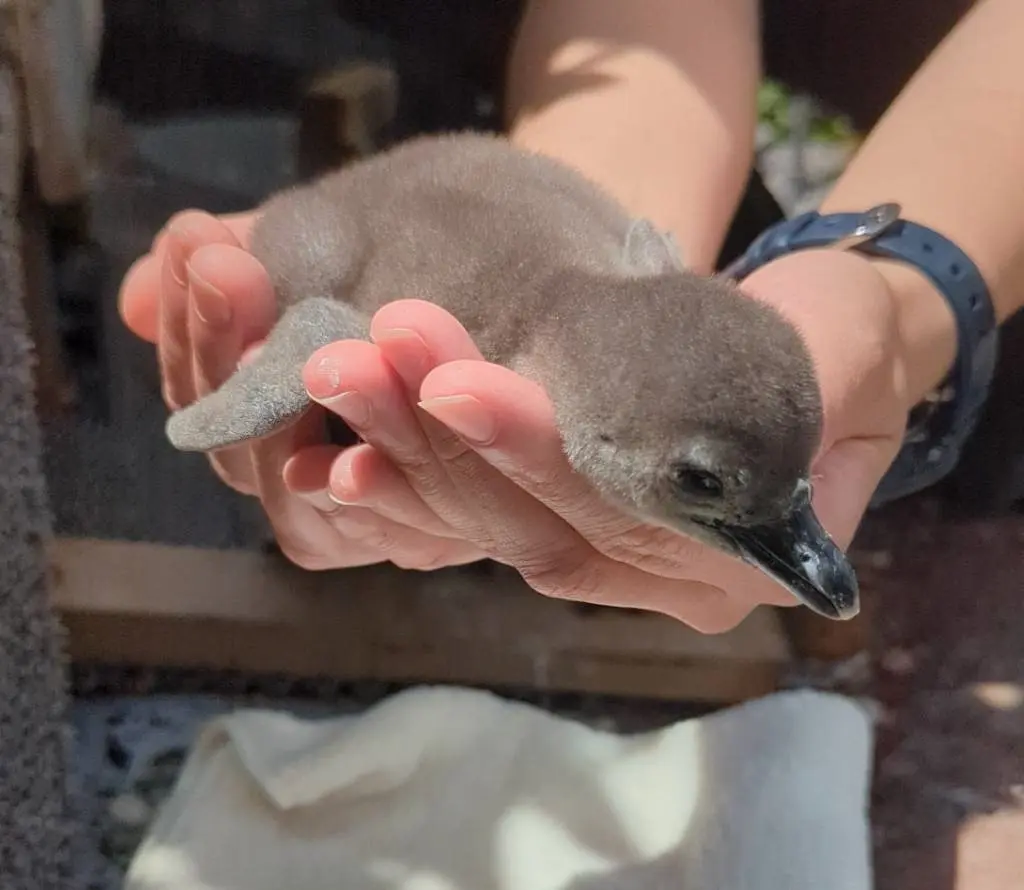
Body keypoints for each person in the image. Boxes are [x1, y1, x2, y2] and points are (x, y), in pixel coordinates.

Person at [118, 0, 1024, 632]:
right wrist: (272, 380)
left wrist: (894, 296)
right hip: (424, 218)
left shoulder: (613, 297)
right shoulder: (503, 347)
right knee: (315, 298)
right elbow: (324, 324)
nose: (811, 546)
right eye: (702, 483)